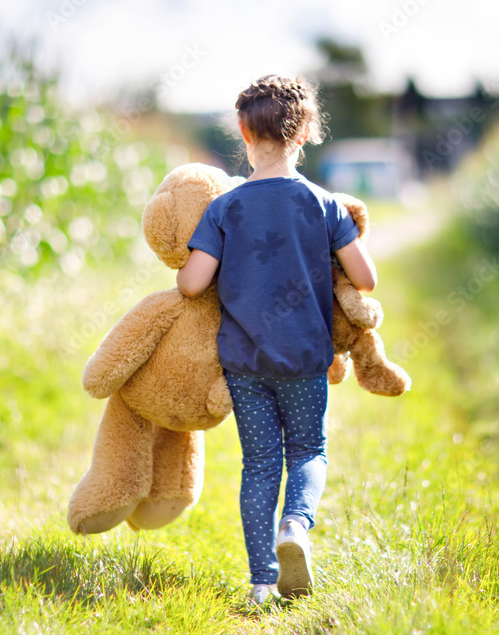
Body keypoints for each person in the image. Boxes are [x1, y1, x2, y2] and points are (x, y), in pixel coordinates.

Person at [176, 74, 377, 604]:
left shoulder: (225, 207)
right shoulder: (323, 203)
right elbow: (366, 279)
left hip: (244, 362)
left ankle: (262, 582)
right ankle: (296, 525)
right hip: (305, 358)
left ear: (243, 131)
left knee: (260, 464)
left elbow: (192, 283)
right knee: (308, 449)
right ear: (307, 132)